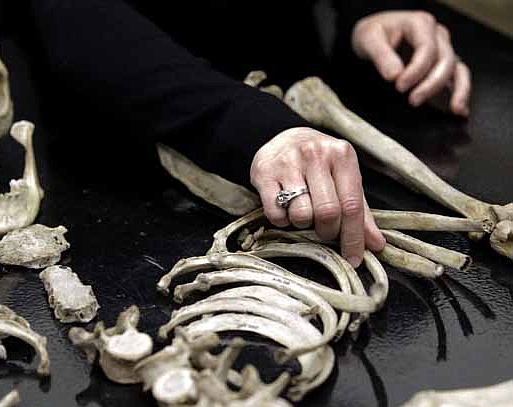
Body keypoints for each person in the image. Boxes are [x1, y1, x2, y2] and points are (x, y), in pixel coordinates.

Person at [26, 0, 471, 268]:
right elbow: (77, 20)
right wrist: (248, 127)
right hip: (112, 143)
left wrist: (373, 8)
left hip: (312, 107)